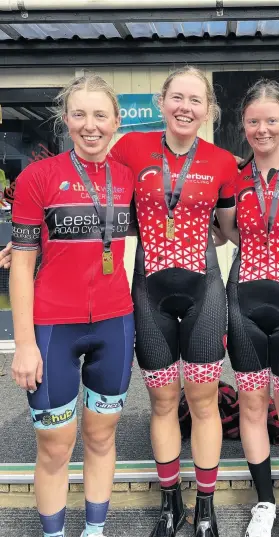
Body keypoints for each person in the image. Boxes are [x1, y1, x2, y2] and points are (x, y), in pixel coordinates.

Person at [109, 66, 238, 537]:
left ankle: (205, 506)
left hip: (204, 291)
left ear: (208, 110)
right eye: (177, 98)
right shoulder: (130, 148)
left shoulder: (223, 161)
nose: (186, 108)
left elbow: (226, 232)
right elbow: (97, 197)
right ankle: (171, 503)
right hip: (149, 292)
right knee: (162, 401)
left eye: (196, 100)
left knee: (203, 402)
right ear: (162, 102)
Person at [10, 74, 135, 537]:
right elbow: (21, 266)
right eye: (79, 114)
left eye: (100, 115)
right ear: (66, 120)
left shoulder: (127, 178)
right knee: (55, 446)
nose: (90, 126)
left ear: (116, 121)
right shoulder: (36, 177)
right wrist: (24, 344)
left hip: (114, 324)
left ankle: (95, 530)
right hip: (51, 327)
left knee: (102, 438)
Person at [216, 79, 279, 537]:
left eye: (271, 120)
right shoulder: (232, 177)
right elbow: (221, 229)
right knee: (252, 405)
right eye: (253, 121)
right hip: (243, 302)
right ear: (244, 124)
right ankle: (264, 503)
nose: (262, 129)